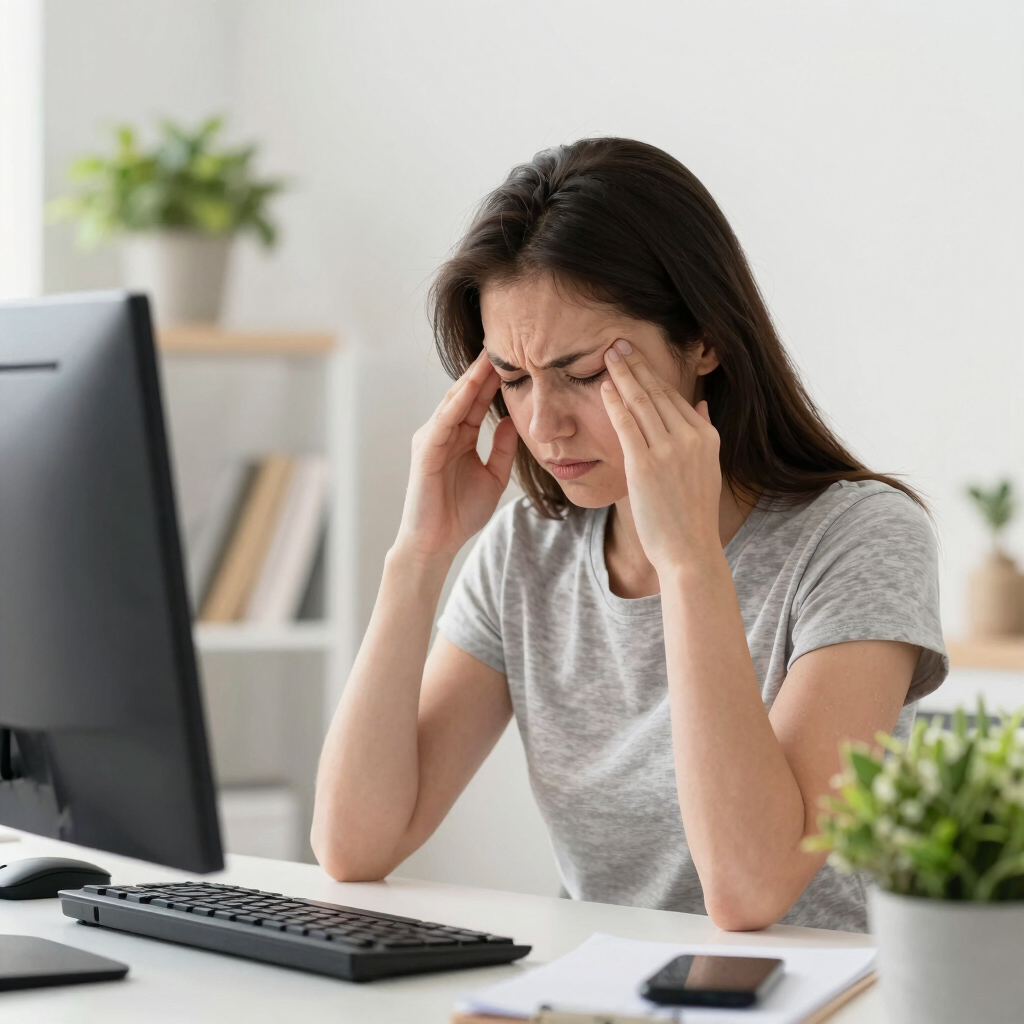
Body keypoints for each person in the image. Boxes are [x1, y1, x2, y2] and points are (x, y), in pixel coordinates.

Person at [311, 138, 947, 932]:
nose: (544, 424)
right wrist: (419, 556)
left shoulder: (861, 540)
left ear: (704, 341)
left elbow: (751, 889)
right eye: (512, 378)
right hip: (595, 994)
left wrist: (689, 564)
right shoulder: (528, 549)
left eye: (585, 374)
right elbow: (353, 845)